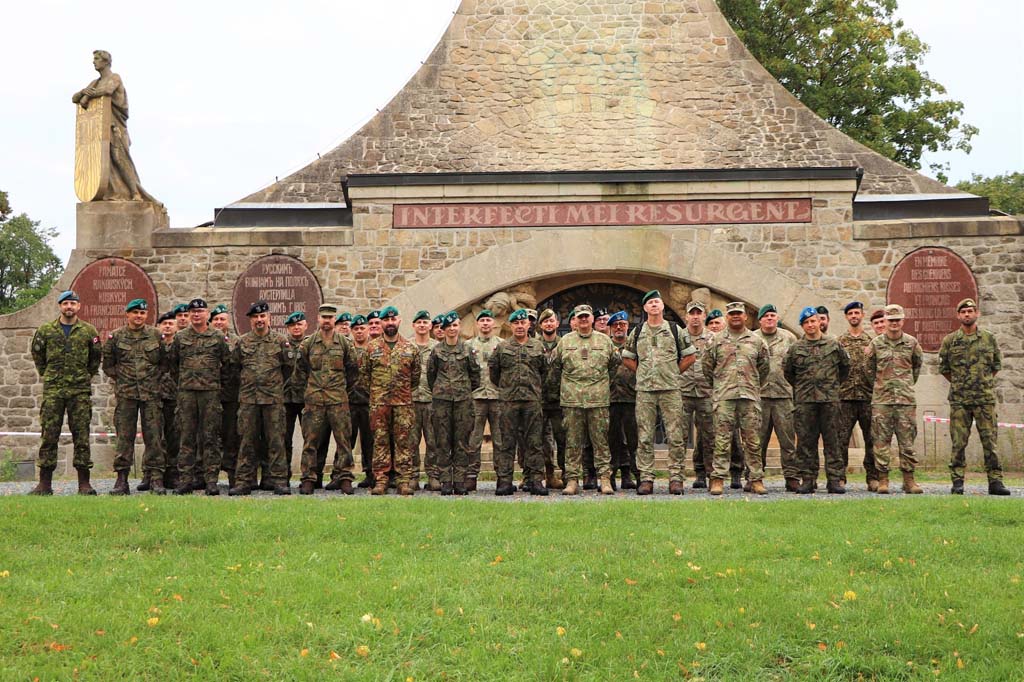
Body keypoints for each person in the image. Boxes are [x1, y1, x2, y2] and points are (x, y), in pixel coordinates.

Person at [622, 290, 696, 495]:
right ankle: (646, 478)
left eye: (657, 302)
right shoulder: (637, 332)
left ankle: (676, 478)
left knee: (676, 435)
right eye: (650, 303)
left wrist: (673, 373)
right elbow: (627, 358)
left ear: (662, 306)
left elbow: (690, 357)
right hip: (645, 391)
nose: (654, 305)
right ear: (645, 308)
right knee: (644, 435)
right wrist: (643, 373)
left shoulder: (675, 330)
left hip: (670, 390)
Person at [29, 290, 102, 496]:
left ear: (78, 307)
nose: (69, 307)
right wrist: (47, 374)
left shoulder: (88, 331)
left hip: (79, 390)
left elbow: (95, 358)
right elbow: (37, 354)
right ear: (60, 306)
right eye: (65, 303)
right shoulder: (46, 330)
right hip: (53, 390)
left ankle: (84, 483)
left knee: (81, 435)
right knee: (49, 434)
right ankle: (44, 484)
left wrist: (85, 376)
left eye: (72, 303)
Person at [939, 298, 1009, 496]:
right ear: (958, 316)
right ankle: (957, 481)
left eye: (970, 311)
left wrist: (982, 382)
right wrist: (962, 384)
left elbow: (995, 366)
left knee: (990, 442)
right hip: (960, 400)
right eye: (964, 312)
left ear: (976, 313)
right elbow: (944, 368)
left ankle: (995, 481)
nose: (967, 314)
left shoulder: (988, 339)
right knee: (958, 443)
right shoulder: (950, 341)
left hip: (984, 400)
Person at [548, 304, 620, 495]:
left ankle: (605, 479)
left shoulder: (605, 341)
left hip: (598, 400)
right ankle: (572, 480)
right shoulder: (565, 342)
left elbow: (614, 366)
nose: (583, 320)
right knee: (572, 442)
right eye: (580, 317)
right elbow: (555, 368)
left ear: (592, 319)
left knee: (601, 441)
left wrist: (601, 385)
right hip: (572, 401)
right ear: (575, 320)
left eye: (586, 317)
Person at [71, 50, 157, 202]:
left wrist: (88, 96)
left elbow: (108, 90)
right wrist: (83, 92)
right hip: (100, 130)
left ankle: (135, 193)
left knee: (120, 159)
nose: (94, 62)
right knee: (105, 162)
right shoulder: (94, 83)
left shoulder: (115, 77)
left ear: (105, 62)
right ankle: (108, 192)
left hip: (115, 127)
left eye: (97, 59)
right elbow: (74, 98)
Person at [702, 302, 770, 495]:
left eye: (738, 314)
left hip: (749, 396)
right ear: (727, 317)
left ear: (745, 316)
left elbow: (764, 368)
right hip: (725, 397)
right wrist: (719, 387)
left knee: (752, 440)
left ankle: (755, 479)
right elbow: (707, 368)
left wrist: (753, 385)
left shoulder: (756, 341)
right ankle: (717, 479)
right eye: (732, 314)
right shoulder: (715, 340)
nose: (735, 317)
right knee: (722, 440)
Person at [101, 298, 166, 495]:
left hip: (151, 395)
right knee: (124, 437)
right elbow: (108, 365)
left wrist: (153, 380)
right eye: (135, 312)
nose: (139, 316)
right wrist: (123, 379)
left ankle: (156, 479)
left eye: (142, 313)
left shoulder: (155, 335)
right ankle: (122, 480)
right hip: (126, 394)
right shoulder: (116, 337)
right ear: (127, 314)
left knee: (154, 436)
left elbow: (164, 363)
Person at [783, 307, 850, 494]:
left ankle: (835, 479)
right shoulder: (796, 348)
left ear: (819, 322)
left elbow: (844, 368)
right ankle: (808, 479)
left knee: (833, 441)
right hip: (805, 402)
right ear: (802, 326)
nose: (810, 325)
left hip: (829, 401)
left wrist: (832, 387)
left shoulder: (834, 345)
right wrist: (804, 388)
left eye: (813, 321)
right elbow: (788, 372)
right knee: (806, 442)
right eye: (806, 323)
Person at [167, 298, 230, 495]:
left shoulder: (218, 337)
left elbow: (227, 365)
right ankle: (186, 479)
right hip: (187, 393)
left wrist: (215, 384)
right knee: (186, 437)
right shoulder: (180, 337)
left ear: (206, 314)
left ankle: (210, 480)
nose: (196, 315)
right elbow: (173, 364)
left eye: (200, 311)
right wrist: (185, 381)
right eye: (192, 312)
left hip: (210, 394)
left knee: (210, 437)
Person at [295, 304, 360, 495]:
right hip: (314, 401)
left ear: (335, 320)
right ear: (318, 319)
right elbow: (299, 373)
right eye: (324, 317)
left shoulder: (345, 344)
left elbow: (353, 372)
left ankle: (345, 477)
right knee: (311, 442)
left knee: (344, 441)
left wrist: (341, 390)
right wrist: (309, 393)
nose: (327, 321)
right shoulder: (308, 344)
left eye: (330, 318)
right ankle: (309, 478)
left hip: (338, 400)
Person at [229, 301, 292, 496]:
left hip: (273, 400)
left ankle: (278, 480)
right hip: (249, 400)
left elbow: (289, 368)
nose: (259, 320)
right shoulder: (242, 342)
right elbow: (234, 368)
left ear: (268, 318)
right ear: (250, 320)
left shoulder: (280, 342)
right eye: (255, 317)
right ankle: (244, 481)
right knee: (247, 441)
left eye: (262, 316)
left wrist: (274, 385)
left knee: (276, 441)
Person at [361, 307, 421, 496]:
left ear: (399, 321)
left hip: (403, 404)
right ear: (381, 323)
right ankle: (381, 480)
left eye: (393, 319)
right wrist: (377, 394)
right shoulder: (371, 348)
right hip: (379, 404)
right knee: (380, 442)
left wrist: (401, 393)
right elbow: (364, 376)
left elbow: (415, 378)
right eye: (386, 320)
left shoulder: (411, 348)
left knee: (403, 442)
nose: (390, 323)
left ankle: (403, 480)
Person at [490, 308, 550, 495]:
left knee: (534, 442)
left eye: (523, 323)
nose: (519, 326)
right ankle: (504, 481)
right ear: (511, 325)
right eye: (516, 323)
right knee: (506, 442)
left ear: (528, 325)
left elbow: (545, 372)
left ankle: (536, 481)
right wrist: (506, 388)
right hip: (509, 401)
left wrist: (536, 389)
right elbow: (494, 372)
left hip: (532, 401)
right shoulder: (502, 347)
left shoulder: (538, 347)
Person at [866, 304, 924, 494]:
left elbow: (916, 367)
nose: (894, 324)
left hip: (905, 401)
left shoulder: (912, 343)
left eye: (897, 320)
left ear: (902, 321)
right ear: (885, 321)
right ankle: (883, 480)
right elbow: (869, 370)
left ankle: (909, 480)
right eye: (890, 320)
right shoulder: (875, 344)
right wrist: (881, 386)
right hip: (882, 401)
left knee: (907, 442)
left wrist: (904, 385)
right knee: (881, 442)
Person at [427, 312, 481, 495]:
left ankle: (459, 480)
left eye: (455, 325)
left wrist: (462, 391)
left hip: (463, 402)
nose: (451, 329)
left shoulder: (467, 350)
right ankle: (445, 481)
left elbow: (476, 377)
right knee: (442, 441)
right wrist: (441, 390)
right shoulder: (436, 351)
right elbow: (431, 376)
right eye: (448, 326)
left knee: (462, 442)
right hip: (441, 402)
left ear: (459, 327)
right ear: (443, 329)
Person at [752, 304, 798, 491]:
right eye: (766, 316)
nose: (770, 318)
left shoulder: (789, 338)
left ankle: (792, 476)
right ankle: (755, 477)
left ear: (777, 318)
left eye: (772, 315)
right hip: (759, 396)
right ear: (760, 320)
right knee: (757, 440)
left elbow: (796, 365)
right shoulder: (752, 338)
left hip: (783, 396)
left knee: (787, 440)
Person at [837, 301, 879, 490]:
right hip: (845, 398)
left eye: (857, 313)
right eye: (850, 313)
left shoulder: (871, 341)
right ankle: (840, 476)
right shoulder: (840, 341)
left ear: (862, 315)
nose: (854, 316)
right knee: (841, 439)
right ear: (846, 317)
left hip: (867, 396)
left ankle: (873, 477)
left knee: (871, 438)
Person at [680, 302, 716, 489]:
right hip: (683, 392)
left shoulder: (714, 339)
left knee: (709, 436)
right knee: (679, 435)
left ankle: (710, 475)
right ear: (686, 317)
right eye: (691, 313)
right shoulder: (678, 336)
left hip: (706, 393)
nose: (695, 316)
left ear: (704, 316)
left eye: (698, 313)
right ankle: (677, 477)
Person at [467, 309, 503, 492]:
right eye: (482, 321)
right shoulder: (468, 346)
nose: (486, 324)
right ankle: (471, 476)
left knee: (500, 439)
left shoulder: (502, 345)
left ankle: (502, 477)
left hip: (497, 397)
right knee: (473, 439)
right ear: (477, 324)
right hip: (476, 397)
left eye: (489, 320)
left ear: (493, 324)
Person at [210, 304, 243, 487]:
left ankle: (232, 474)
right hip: (209, 393)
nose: (219, 322)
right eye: (216, 319)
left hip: (231, 395)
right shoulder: (205, 338)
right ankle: (208, 475)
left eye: (222, 319)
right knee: (209, 436)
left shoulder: (237, 341)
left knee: (231, 435)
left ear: (227, 321)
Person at [607, 311, 638, 490]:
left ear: (627, 326)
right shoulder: (605, 345)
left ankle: (634, 475)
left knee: (633, 441)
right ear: (611, 329)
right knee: (612, 440)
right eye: (616, 325)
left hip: (631, 398)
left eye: (622, 325)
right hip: (610, 399)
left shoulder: (634, 346)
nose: (619, 328)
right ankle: (610, 476)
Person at [538, 309, 566, 489]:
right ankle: (542, 475)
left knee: (562, 439)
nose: (549, 324)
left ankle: (565, 474)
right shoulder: (534, 345)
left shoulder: (564, 344)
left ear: (557, 324)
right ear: (540, 325)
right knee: (537, 440)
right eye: (545, 321)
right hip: (539, 400)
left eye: (552, 321)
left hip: (559, 400)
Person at [410, 310, 437, 490]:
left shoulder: (437, 348)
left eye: (425, 322)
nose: (421, 325)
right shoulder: (406, 347)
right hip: (411, 401)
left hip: (431, 400)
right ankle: (412, 476)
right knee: (411, 441)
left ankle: (433, 475)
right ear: (413, 326)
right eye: (418, 322)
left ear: (430, 326)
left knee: (433, 440)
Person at [281, 311, 309, 485]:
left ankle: (309, 476)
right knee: (284, 439)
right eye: (292, 325)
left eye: (299, 324)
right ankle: (283, 476)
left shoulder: (311, 344)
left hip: (306, 398)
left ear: (305, 326)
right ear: (288, 328)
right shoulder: (282, 345)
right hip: (285, 399)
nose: (296, 327)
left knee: (310, 439)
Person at [155, 310, 181, 490]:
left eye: (171, 323)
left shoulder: (181, 344)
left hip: (176, 397)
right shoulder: (154, 344)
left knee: (174, 438)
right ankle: (153, 475)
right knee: (156, 437)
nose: (168, 326)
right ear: (159, 327)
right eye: (164, 323)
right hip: (155, 396)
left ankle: (173, 474)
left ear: (177, 326)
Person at [348, 315, 374, 487]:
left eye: (362, 328)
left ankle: (371, 474)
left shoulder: (374, 349)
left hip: (368, 401)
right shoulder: (346, 350)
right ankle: (342, 474)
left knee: (369, 441)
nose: (359, 331)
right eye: (356, 329)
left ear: (367, 330)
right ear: (352, 331)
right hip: (349, 401)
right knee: (346, 440)